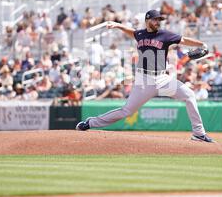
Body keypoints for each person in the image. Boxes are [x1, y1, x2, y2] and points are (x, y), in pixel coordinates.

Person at [76, 9, 214, 143]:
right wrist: (118, 25)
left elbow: (183, 40)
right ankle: (90, 123)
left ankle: (199, 133)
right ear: (147, 20)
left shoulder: (165, 35)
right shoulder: (140, 34)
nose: (158, 21)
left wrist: (201, 44)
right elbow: (132, 32)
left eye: (159, 19)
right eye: (155, 19)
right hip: (144, 80)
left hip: (162, 79)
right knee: (127, 111)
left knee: (189, 95)